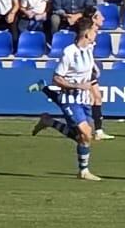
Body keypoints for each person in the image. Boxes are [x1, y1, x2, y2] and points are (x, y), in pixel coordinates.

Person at [29, 15, 103, 182]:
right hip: (70, 99)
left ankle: (49, 122)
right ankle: (83, 171)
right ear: (87, 34)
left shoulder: (89, 49)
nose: (96, 33)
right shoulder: (69, 52)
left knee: (85, 136)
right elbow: (57, 78)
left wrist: (93, 74)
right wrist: (77, 86)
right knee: (84, 133)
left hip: (84, 99)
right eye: (94, 30)